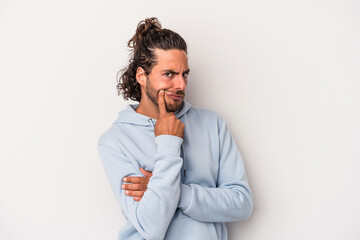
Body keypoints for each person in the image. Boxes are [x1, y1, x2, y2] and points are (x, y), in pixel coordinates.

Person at [98, 17, 253, 240]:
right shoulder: (115, 141)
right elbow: (151, 227)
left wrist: (176, 192)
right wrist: (168, 141)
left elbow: (242, 204)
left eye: (184, 74)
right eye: (169, 74)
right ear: (142, 76)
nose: (181, 85)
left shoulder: (212, 124)